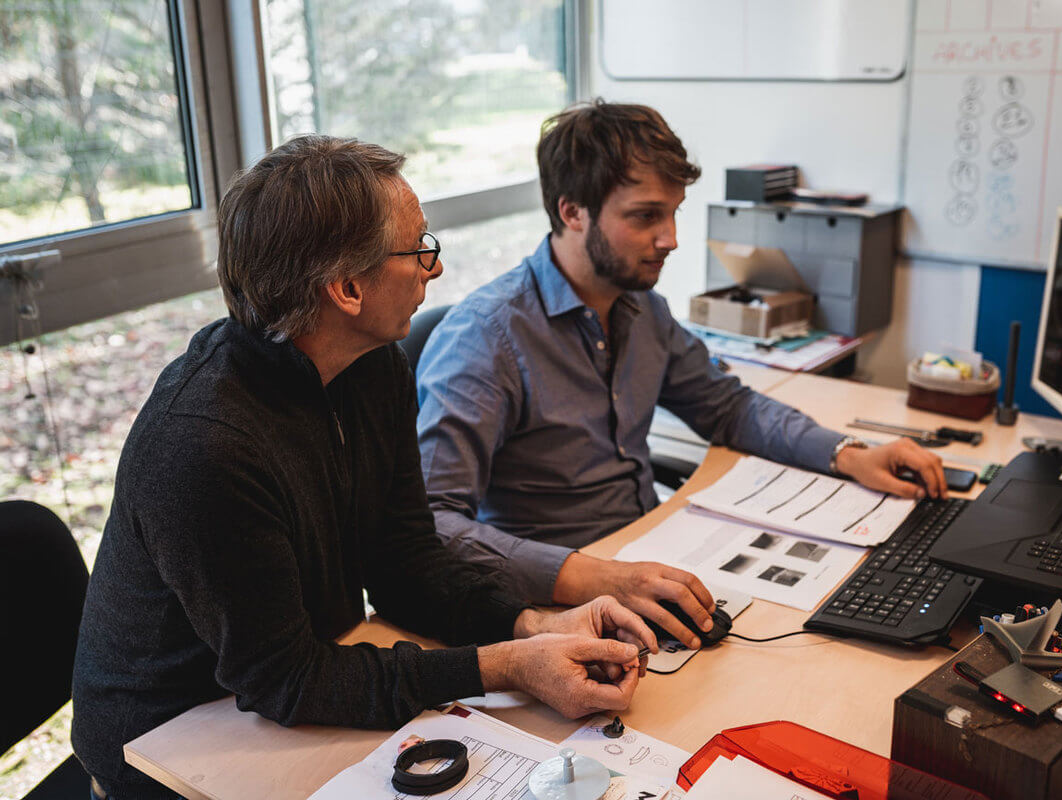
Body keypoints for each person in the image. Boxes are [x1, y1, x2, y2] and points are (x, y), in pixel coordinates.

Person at [71, 135, 655, 800]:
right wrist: (507, 668)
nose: (432, 271)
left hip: (285, 697)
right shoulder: (204, 445)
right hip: (165, 748)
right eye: (419, 250)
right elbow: (285, 679)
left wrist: (531, 625)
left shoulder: (372, 364)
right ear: (347, 289)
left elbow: (405, 561)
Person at [415, 100, 946, 648]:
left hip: (648, 559)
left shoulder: (644, 309)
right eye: (645, 216)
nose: (670, 238)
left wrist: (849, 453)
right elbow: (432, 525)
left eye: (675, 212)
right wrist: (595, 576)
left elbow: (729, 407)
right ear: (572, 212)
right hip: (556, 609)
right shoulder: (485, 337)